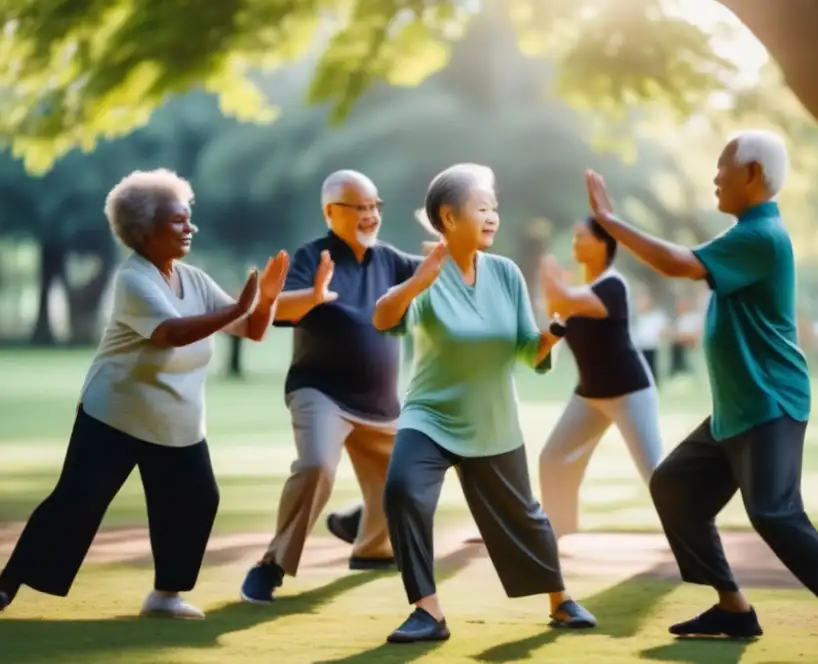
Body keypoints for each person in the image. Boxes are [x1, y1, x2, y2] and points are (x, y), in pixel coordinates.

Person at [582, 132, 818, 650]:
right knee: (674, 486)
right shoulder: (745, 235)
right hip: (735, 411)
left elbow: (678, 263)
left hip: (770, 402)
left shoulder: (762, 236)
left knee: (774, 512)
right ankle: (732, 608)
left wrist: (611, 223)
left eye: (723, 167)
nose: (715, 177)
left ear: (753, 174)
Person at [0, 169, 289, 619]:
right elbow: (169, 334)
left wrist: (265, 300)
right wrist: (235, 306)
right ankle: (6, 587)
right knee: (76, 503)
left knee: (197, 499)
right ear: (142, 231)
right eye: (178, 221)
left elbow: (250, 330)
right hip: (115, 415)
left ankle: (165, 596)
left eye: (189, 218)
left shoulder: (193, 278)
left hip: (177, 420)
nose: (189, 227)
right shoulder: (132, 279)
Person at [373, 163, 596, 644]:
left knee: (524, 516)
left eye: (494, 207)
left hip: (491, 417)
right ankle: (427, 612)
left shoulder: (506, 273)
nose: (493, 216)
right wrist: (417, 282)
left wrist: (555, 331)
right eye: (482, 208)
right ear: (449, 218)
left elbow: (525, 348)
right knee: (403, 491)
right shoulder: (424, 274)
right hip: (430, 416)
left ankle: (560, 600)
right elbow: (383, 317)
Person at [241, 170, 421, 604]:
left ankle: (370, 543)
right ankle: (272, 564)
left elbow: (437, 274)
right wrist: (314, 296)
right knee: (317, 465)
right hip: (321, 392)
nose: (370, 215)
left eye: (375, 206)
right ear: (330, 212)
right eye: (360, 207)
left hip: (380, 406)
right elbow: (275, 309)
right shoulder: (312, 256)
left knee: (410, 476)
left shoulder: (390, 260)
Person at [537, 217, 662, 539]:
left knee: (655, 474)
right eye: (574, 237)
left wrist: (552, 280)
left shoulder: (613, 285)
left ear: (604, 244)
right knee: (552, 458)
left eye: (582, 236)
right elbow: (552, 332)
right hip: (590, 396)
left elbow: (562, 299)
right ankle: (559, 534)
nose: (575, 242)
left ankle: (694, 539)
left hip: (629, 393)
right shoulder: (579, 294)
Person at [632, 292, 669, 386]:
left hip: (652, 346)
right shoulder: (637, 318)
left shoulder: (656, 316)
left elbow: (663, 330)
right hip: (640, 347)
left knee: (652, 369)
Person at [670, 296, 703, 376]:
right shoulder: (680, 319)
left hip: (695, 348)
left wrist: (687, 337)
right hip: (683, 348)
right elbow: (677, 335)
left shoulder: (695, 317)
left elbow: (698, 332)